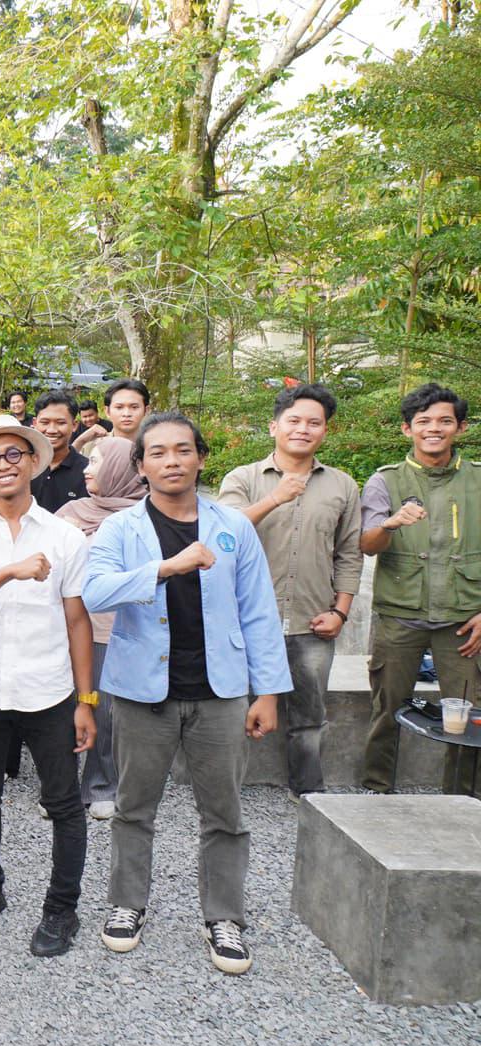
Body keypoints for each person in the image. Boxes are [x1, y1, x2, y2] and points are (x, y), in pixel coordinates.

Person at [84, 412, 290, 975]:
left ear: (201, 458)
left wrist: (268, 690)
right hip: (142, 691)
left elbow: (259, 613)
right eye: (157, 453)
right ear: (142, 465)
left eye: (182, 450)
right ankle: (127, 904)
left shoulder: (232, 526)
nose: (171, 461)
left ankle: (223, 916)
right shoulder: (122, 529)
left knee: (223, 808)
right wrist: (164, 568)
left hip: (219, 690)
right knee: (133, 806)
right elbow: (93, 591)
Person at [0, 415, 96, 958]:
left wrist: (86, 700)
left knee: (64, 804)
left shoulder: (66, 537)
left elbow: (78, 622)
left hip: (49, 692)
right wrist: (8, 571)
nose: (2, 465)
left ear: (32, 462)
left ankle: (61, 909)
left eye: (13, 455)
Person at [217, 384, 363, 798]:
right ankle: (225, 792)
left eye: (313, 423)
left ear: (324, 431)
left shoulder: (342, 486)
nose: (303, 429)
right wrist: (276, 498)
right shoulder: (243, 478)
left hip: (311, 620)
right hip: (244, 621)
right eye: (294, 420)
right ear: (274, 426)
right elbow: (222, 537)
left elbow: (350, 554)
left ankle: (308, 794)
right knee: (230, 712)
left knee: (309, 717)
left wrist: (340, 612)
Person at [356, 383, 480, 793]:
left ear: (459, 428)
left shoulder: (478, 480)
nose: (434, 428)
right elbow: (367, 543)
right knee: (387, 708)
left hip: (463, 621)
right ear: (407, 430)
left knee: (466, 713)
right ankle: (375, 790)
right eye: (423, 421)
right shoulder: (384, 482)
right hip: (399, 616)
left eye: (445, 421)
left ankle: (460, 799)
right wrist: (389, 524)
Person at [56, 436, 148, 819]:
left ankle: (101, 785)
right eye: (89, 462)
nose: (88, 470)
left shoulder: (145, 518)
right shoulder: (70, 511)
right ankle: (59, 788)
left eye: (96, 463)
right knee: (64, 707)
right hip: (66, 627)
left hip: (115, 629)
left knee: (105, 711)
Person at [30, 390, 88, 513]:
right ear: (35, 423)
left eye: (60, 423)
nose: (51, 430)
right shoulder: (23, 466)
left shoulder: (88, 472)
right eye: (45, 422)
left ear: (74, 425)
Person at [74, 378, 149, 453]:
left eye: (134, 407)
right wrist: (80, 441)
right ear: (107, 411)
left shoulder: (154, 446)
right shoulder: (93, 447)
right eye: (119, 407)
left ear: (146, 410)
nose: (126, 414)